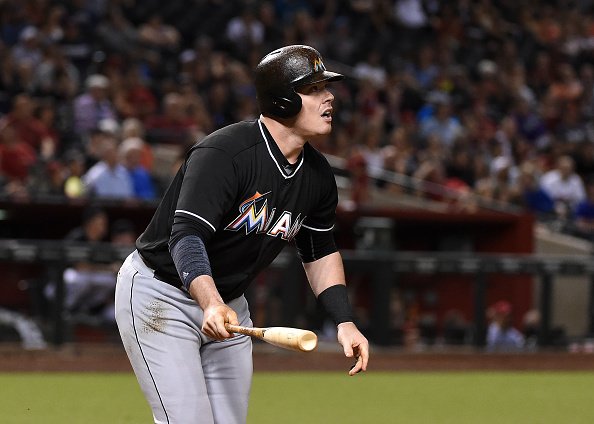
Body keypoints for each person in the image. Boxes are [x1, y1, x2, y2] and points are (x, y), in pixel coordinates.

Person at [114, 44, 369, 424]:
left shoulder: (317, 175)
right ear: (283, 100)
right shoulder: (225, 153)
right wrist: (210, 302)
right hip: (162, 295)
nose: (329, 96)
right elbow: (185, 236)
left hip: (230, 305)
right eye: (314, 88)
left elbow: (319, 249)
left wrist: (344, 321)